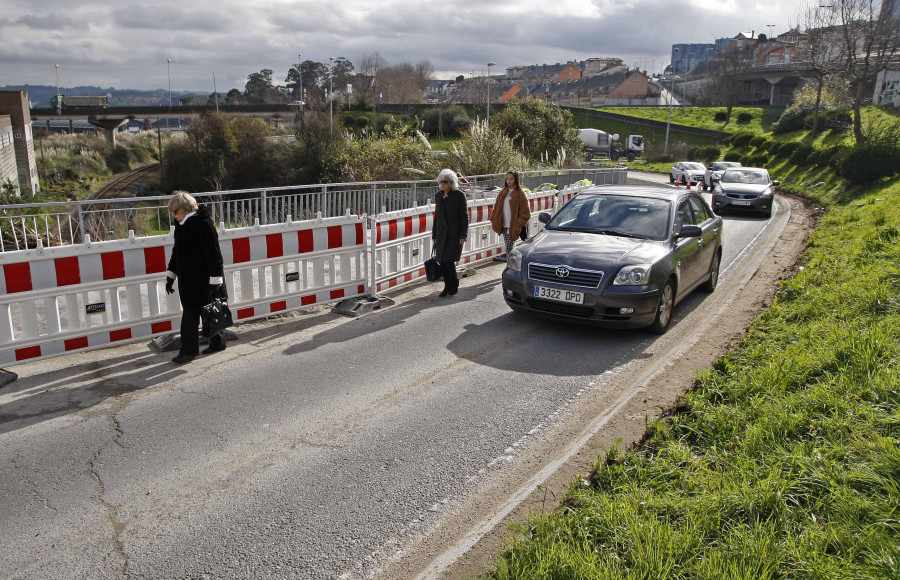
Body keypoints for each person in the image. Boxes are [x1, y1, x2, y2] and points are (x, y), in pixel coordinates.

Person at [164, 191, 227, 364]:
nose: (173, 215)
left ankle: (188, 352)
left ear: (185, 208)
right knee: (208, 311)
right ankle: (218, 342)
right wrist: (171, 274)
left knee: (193, 315)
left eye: (175, 211)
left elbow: (214, 254)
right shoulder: (182, 225)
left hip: (204, 279)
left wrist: (215, 279)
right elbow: (177, 252)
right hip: (189, 279)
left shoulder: (203, 224)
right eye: (172, 211)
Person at [432, 169, 469, 297]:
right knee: (442, 261)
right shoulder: (438, 196)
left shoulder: (459, 195)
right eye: (441, 182)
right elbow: (437, 217)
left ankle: (452, 284)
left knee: (449, 260)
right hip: (441, 234)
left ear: (451, 182)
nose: (443, 184)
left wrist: (463, 234)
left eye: (445, 182)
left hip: (454, 234)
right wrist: (434, 235)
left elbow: (464, 216)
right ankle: (448, 285)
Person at [490, 171, 531, 256]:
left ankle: (511, 265)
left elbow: (525, 213)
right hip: (504, 224)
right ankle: (512, 265)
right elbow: (496, 207)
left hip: (514, 225)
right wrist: (494, 218)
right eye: (507, 179)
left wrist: (518, 223)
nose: (509, 181)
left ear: (516, 179)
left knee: (510, 247)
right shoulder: (502, 193)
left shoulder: (520, 194)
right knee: (509, 247)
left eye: (511, 179)